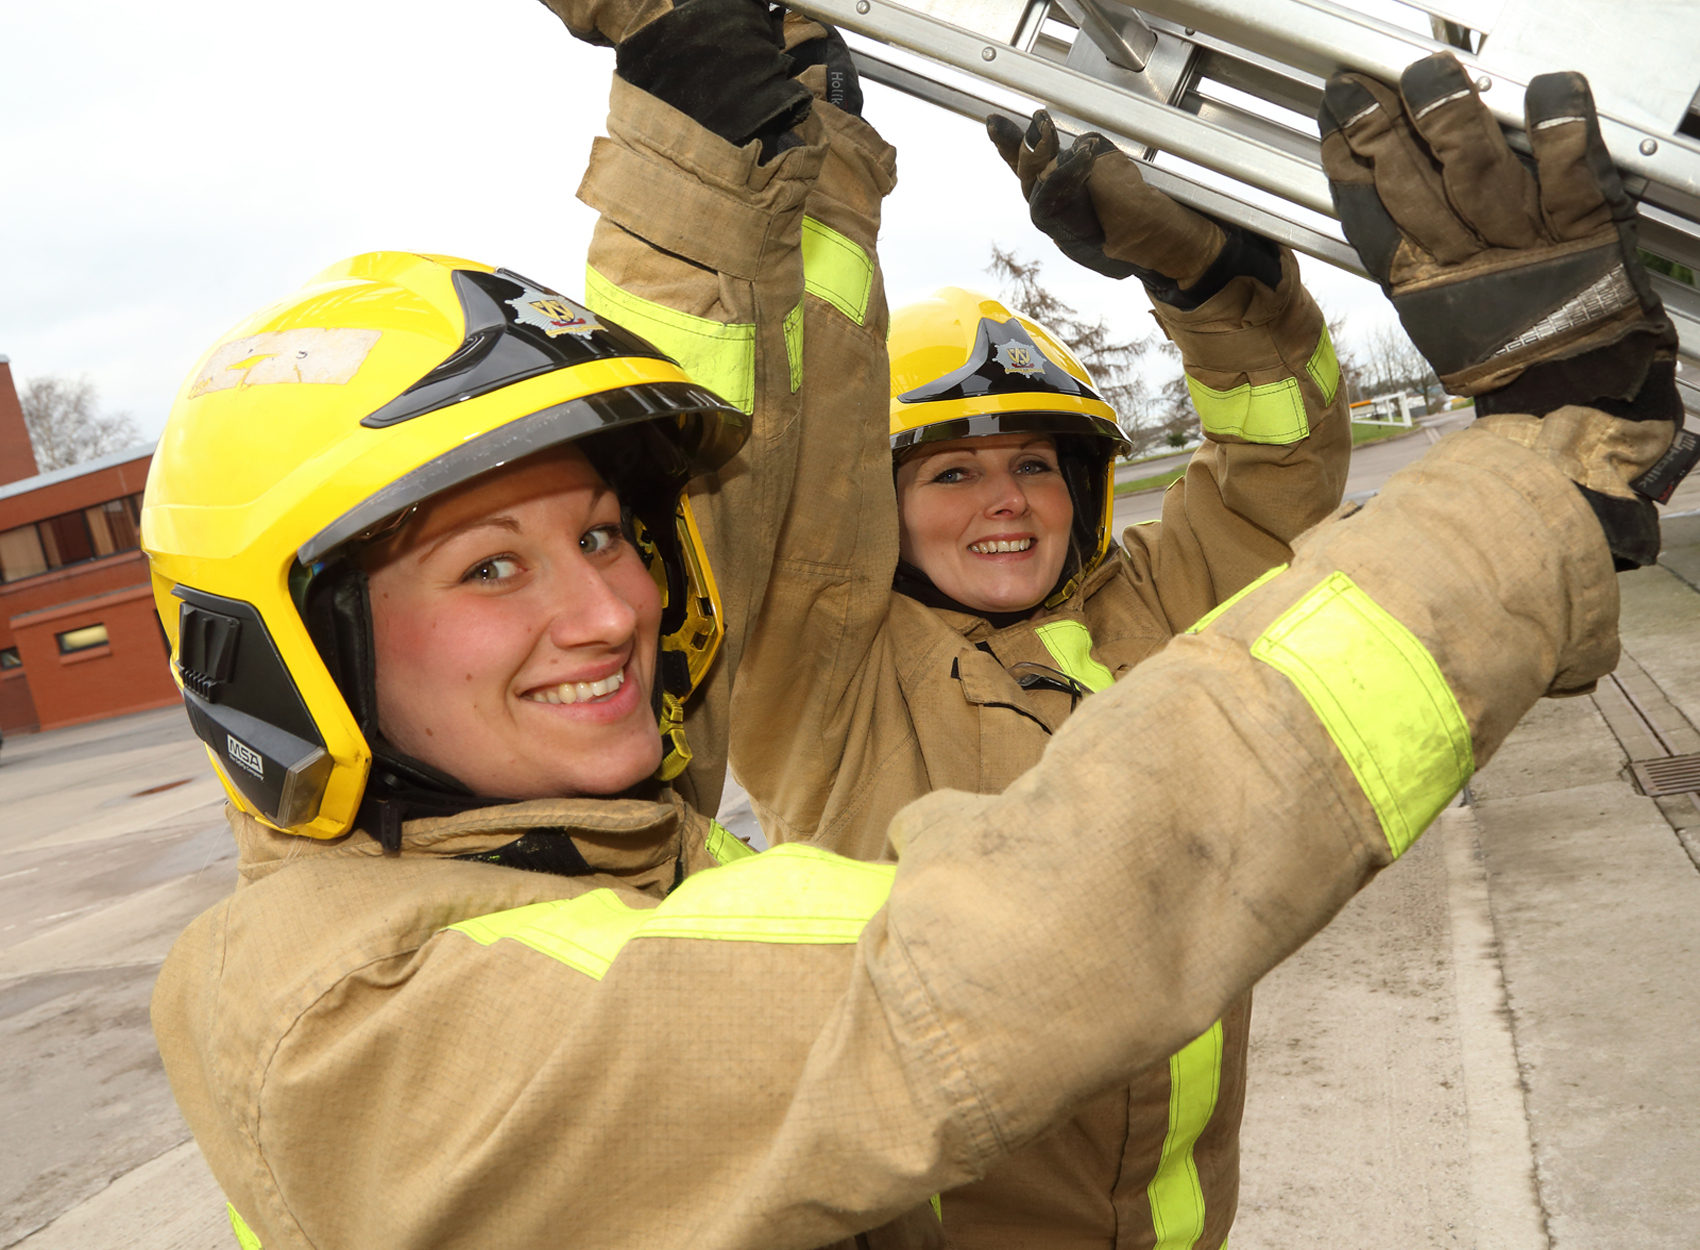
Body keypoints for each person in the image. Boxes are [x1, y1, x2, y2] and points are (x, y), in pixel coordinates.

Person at [147, 0, 1691, 1243]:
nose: (615, 602)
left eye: (608, 535)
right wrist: (1539, 465)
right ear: (282, 648)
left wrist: (1208, 277)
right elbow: (779, 524)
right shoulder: (358, 1020)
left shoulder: (1114, 612)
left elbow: (1275, 454)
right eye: (489, 566)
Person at [710, 32, 1348, 1244]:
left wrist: (1217, 292)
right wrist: (801, 192)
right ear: (876, 503)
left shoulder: (1153, 598)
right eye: (949, 471)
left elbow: (1279, 461)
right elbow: (775, 444)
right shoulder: (829, 672)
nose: (1004, 500)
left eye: (1032, 465)